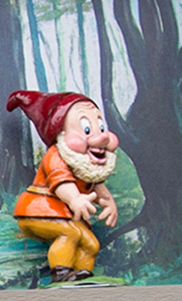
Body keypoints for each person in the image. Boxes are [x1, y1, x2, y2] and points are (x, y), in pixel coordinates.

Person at [7, 87, 122, 280]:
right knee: (71, 234)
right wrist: (75, 199)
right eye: (87, 129)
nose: (101, 137)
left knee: (91, 244)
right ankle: (61, 274)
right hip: (37, 209)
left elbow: (97, 185)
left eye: (100, 127)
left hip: (63, 214)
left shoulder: (85, 163)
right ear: (61, 132)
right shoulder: (57, 155)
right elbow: (61, 182)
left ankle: (83, 277)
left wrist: (109, 203)